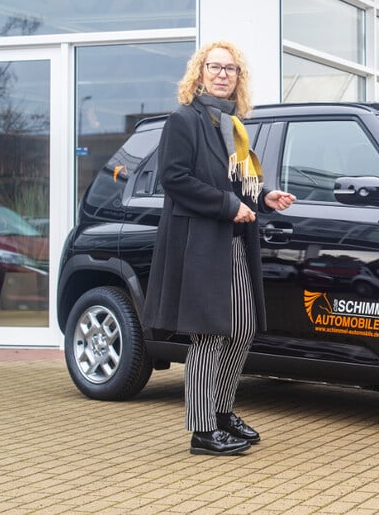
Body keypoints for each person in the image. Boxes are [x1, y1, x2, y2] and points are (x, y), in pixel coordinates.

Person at [143, 41, 296, 456]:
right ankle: (202, 430)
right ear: (200, 72)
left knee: (242, 329)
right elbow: (174, 179)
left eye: (231, 69)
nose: (223, 74)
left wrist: (265, 198)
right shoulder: (183, 120)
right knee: (209, 336)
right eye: (215, 67)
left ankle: (222, 411)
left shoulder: (233, 125)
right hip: (199, 244)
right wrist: (230, 206)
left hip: (232, 243)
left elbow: (243, 181)